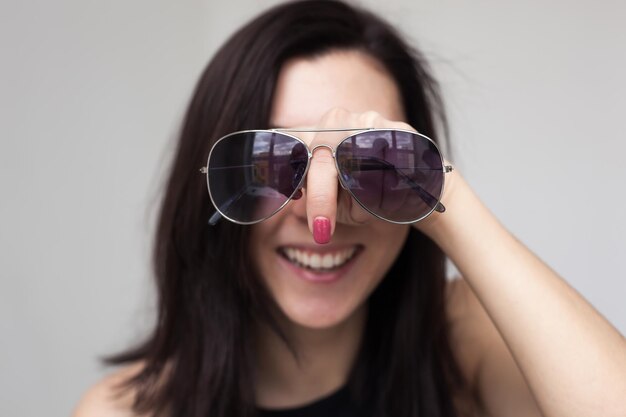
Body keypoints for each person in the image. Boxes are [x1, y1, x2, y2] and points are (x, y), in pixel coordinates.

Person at [73, 1, 626, 416]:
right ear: (215, 184)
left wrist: (448, 205)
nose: (325, 214)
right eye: (269, 163)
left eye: (371, 163)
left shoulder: (464, 340)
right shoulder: (129, 409)